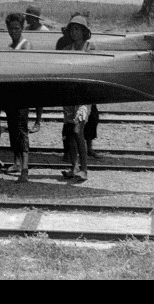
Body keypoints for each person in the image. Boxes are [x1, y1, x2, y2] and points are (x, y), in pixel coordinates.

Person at [60, 14, 96, 182]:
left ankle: (85, 169)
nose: (74, 33)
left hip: (84, 96)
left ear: (84, 32)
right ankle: (73, 168)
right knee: (70, 131)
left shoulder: (90, 48)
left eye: (77, 29)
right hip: (69, 95)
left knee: (77, 130)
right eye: (72, 29)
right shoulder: (67, 49)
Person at [1, 12, 32, 182]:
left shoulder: (25, 45)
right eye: (11, 28)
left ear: (22, 28)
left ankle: (25, 170)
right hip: (11, 94)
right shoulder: (10, 46)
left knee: (22, 130)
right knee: (13, 129)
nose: (14, 31)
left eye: (17, 28)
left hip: (22, 95)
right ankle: (17, 162)